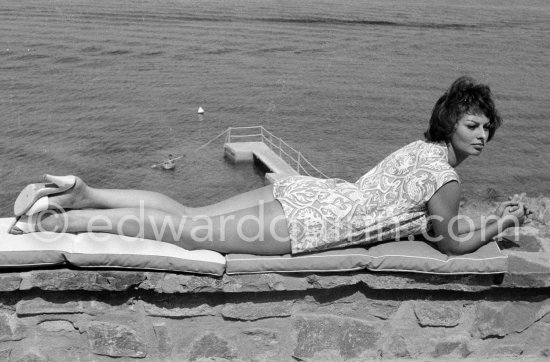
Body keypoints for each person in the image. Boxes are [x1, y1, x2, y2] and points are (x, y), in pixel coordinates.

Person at [9, 76, 528, 256]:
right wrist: (500, 223)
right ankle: (66, 219)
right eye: (473, 125)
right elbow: (450, 241)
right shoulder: (446, 176)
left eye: (486, 128)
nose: (481, 135)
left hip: (306, 194)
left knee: (189, 214)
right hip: (314, 221)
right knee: (187, 233)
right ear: (451, 125)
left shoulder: (420, 150)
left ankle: (84, 193)